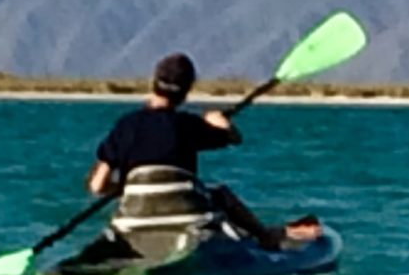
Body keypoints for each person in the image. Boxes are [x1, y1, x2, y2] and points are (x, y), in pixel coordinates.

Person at [83, 53, 317, 252]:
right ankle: (266, 237)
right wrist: (219, 122)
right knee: (219, 194)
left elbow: (97, 186)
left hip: (132, 224)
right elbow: (234, 138)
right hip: (185, 223)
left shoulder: (125, 126)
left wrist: (126, 187)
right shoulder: (189, 126)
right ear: (186, 92)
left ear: (153, 82)